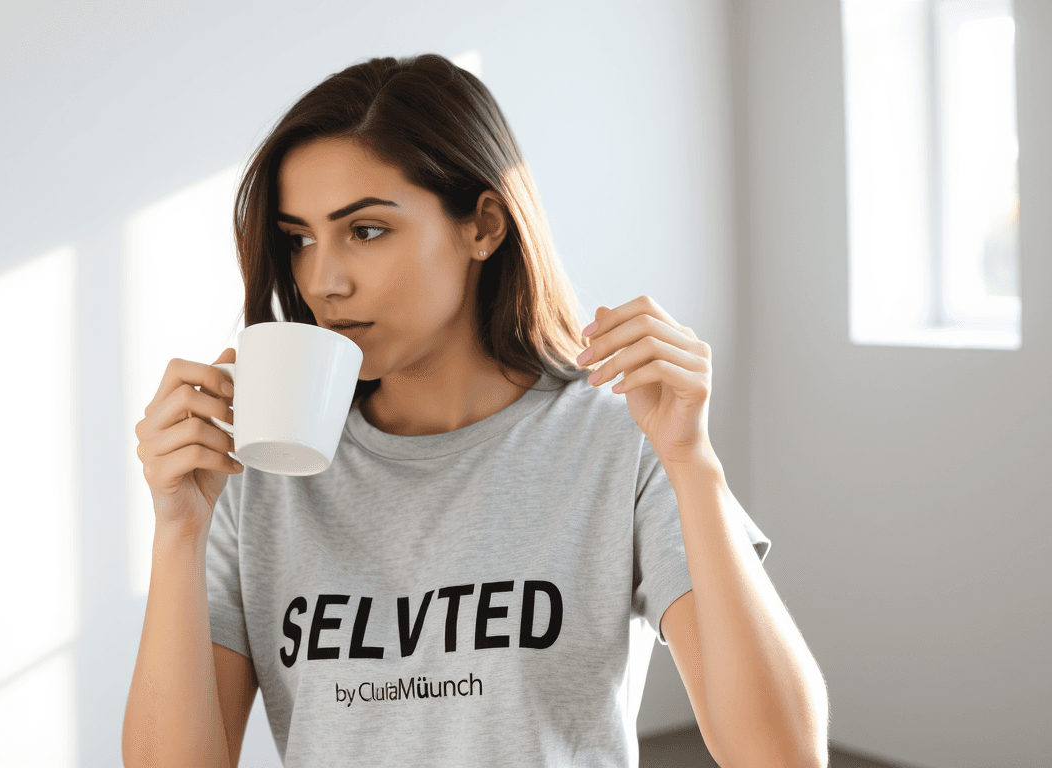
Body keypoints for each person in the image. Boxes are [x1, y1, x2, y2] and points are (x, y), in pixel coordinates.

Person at [124, 53, 827, 768]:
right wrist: (178, 531)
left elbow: (782, 756)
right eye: (300, 239)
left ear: (483, 226)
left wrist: (692, 463)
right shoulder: (261, 468)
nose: (322, 281)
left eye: (364, 231)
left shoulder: (618, 444)